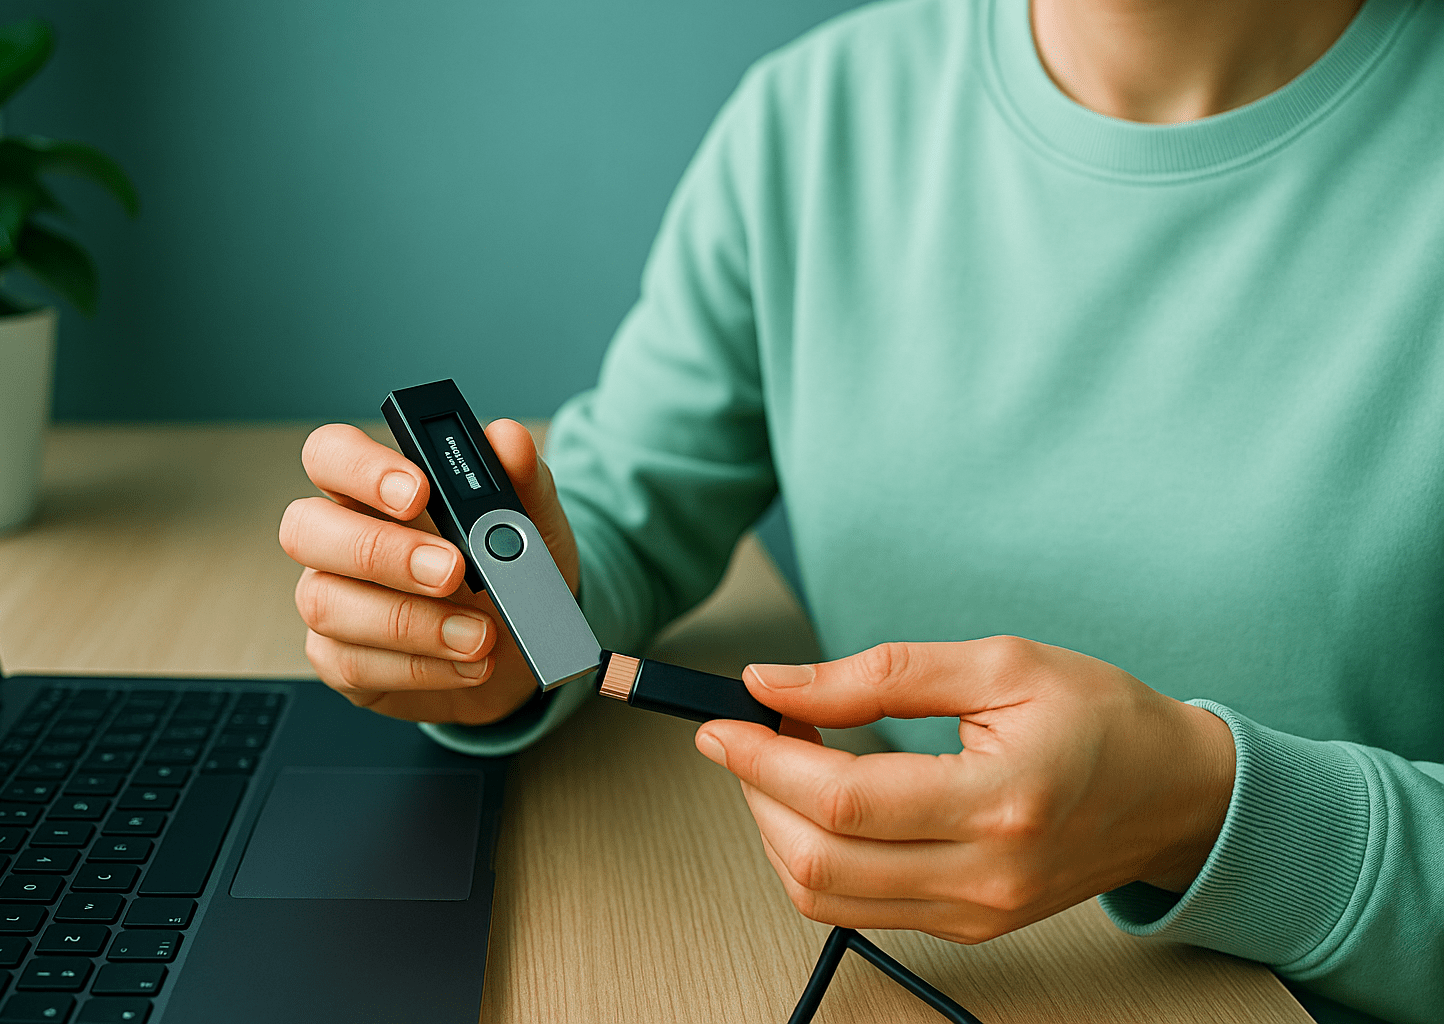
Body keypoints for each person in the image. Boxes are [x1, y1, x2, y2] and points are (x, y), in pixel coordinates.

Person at [277, 1, 1443, 1021]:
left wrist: (1209, 812)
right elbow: (626, 503)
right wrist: (502, 627)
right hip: (886, 977)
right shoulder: (814, 121)